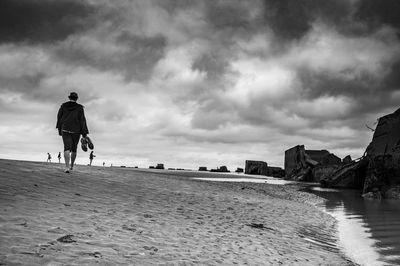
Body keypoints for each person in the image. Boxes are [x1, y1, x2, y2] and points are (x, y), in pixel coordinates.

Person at [56, 92, 90, 173]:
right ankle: (71, 166)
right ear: (76, 98)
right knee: (74, 149)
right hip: (76, 131)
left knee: (66, 148)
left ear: (69, 98)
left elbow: (59, 118)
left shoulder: (63, 106)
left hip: (65, 129)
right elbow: (82, 120)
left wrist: (59, 129)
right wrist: (84, 133)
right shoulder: (79, 108)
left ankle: (67, 167)